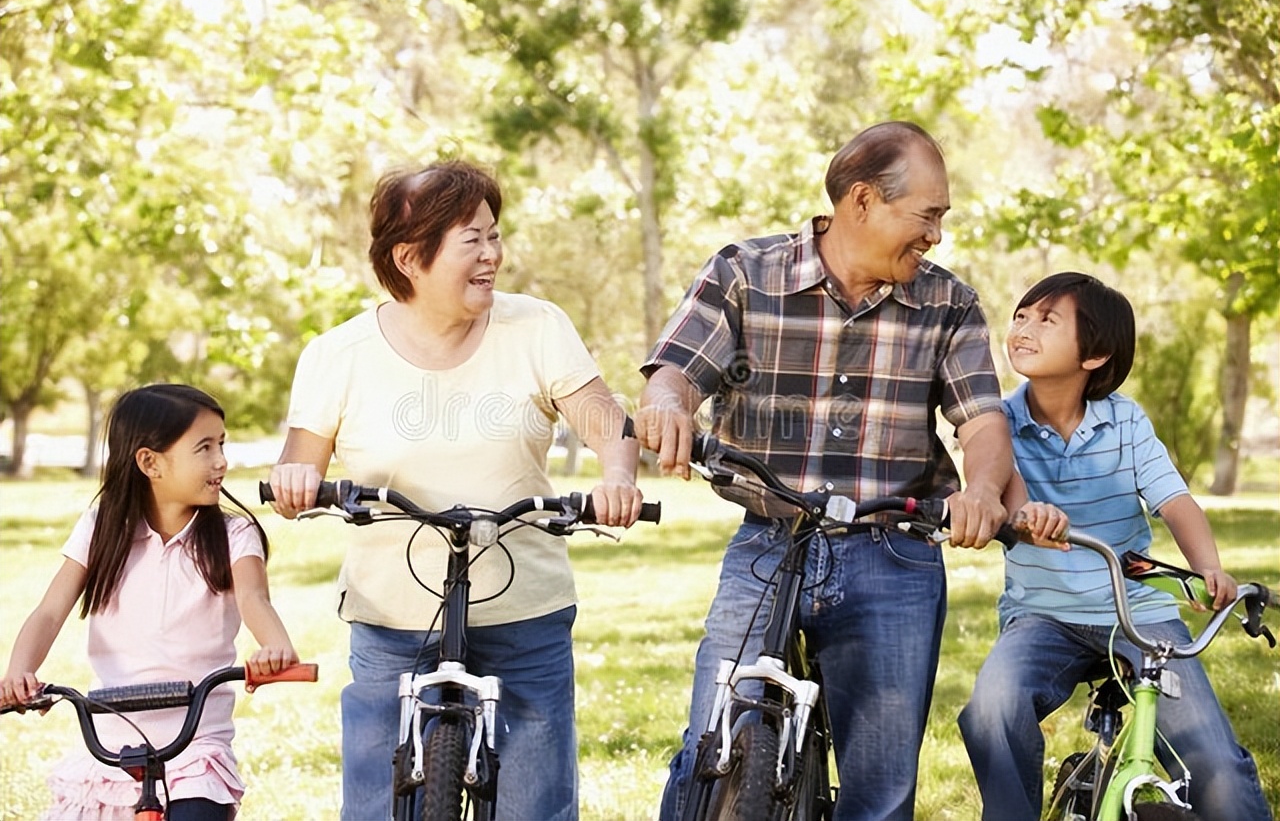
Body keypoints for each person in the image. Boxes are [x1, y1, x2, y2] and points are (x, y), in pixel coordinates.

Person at [638, 121, 1015, 821]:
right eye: (927, 216)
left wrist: (985, 490)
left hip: (892, 554)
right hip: (768, 540)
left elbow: (983, 421)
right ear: (863, 201)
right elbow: (676, 372)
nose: (935, 235)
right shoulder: (745, 273)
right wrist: (668, 405)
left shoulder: (949, 302)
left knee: (879, 788)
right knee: (710, 752)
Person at [266, 159, 645, 821]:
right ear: (410, 257)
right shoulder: (339, 354)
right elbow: (296, 464)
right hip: (392, 617)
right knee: (377, 808)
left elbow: (609, 426)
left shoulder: (536, 327)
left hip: (522, 608)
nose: (492, 255)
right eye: (472, 239)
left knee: (535, 808)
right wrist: (297, 482)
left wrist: (618, 477)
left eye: (493, 235)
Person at [958, 272, 1272, 821]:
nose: (1023, 329)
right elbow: (1011, 492)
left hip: (1138, 614)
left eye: (1047, 320)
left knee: (1215, 766)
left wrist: (1209, 570)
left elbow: (1176, 502)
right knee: (991, 709)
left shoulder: (1124, 422)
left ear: (1096, 354)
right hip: (1042, 616)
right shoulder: (999, 420)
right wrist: (1030, 513)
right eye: (1022, 316)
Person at [0, 384, 300, 821]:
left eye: (222, 444)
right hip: (112, 743)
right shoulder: (103, 528)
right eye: (204, 447)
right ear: (149, 462)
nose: (221, 460)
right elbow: (50, 610)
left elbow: (255, 599)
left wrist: (276, 646)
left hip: (195, 747)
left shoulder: (234, 536)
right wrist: (19, 671)